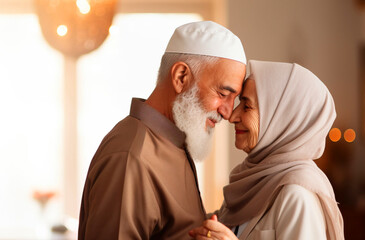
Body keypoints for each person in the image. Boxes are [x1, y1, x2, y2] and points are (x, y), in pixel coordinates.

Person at [78, 21, 247, 239]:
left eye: (235, 100)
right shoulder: (132, 157)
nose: (228, 113)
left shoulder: (171, 141)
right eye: (223, 94)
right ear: (181, 77)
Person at [189, 60, 344, 240]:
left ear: (283, 119)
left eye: (246, 107)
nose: (232, 116)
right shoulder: (251, 181)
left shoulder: (297, 195)